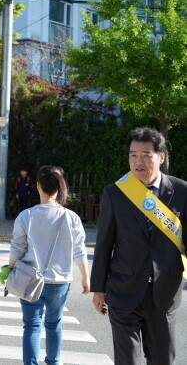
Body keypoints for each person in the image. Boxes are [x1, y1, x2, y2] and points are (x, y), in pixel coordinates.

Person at [90, 127, 187, 365]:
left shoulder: (182, 191)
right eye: (133, 155)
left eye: (146, 155)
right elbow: (104, 243)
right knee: (127, 360)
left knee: (162, 359)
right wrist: (98, 288)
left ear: (161, 157)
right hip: (123, 290)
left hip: (165, 292)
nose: (138, 161)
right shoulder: (115, 193)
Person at [9, 165, 89, 365]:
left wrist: (9, 269)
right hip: (60, 281)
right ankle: (53, 362)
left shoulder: (26, 216)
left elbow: (17, 248)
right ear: (59, 188)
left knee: (32, 326)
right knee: (54, 324)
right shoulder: (72, 218)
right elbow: (79, 249)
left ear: (37, 186)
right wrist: (86, 277)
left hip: (30, 279)